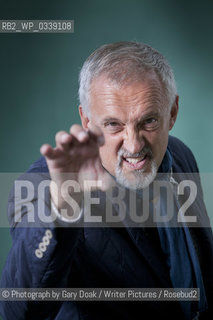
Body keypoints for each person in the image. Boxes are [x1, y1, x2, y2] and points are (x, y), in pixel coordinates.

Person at [0, 41, 212, 320]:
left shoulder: (180, 155)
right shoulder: (42, 187)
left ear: (172, 113)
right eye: (114, 124)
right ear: (87, 121)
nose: (134, 146)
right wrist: (65, 206)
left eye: (148, 121)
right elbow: (18, 311)